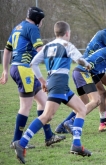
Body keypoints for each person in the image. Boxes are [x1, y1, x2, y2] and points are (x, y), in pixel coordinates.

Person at [12, 21, 93, 164]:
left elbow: (33, 64)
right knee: (47, 116)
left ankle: (76, 144)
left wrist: (43, 81)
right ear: (67, 33)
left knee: (81, 109)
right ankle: (21, 143)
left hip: (56, 82)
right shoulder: (67, 45)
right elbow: (79, 59)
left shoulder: (47, 46)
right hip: (59, 82)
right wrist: (88, 65)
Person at [0, 7, 65, 149]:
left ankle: (49, 137)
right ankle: (16, 141)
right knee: (25, 107)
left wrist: (5, 70)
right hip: (24, 70)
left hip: (19, 68)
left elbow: (7, 50)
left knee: (43, 101)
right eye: (42, 20)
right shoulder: (32, 28)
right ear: (37, 19)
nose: (42, 23)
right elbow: (40, 50)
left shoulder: (18, 27)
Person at [55, 19, 106, 133]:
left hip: (92, 67)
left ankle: (62, 126)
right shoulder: (104, 34)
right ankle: (102, 122)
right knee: (99, 95)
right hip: (88, 68)